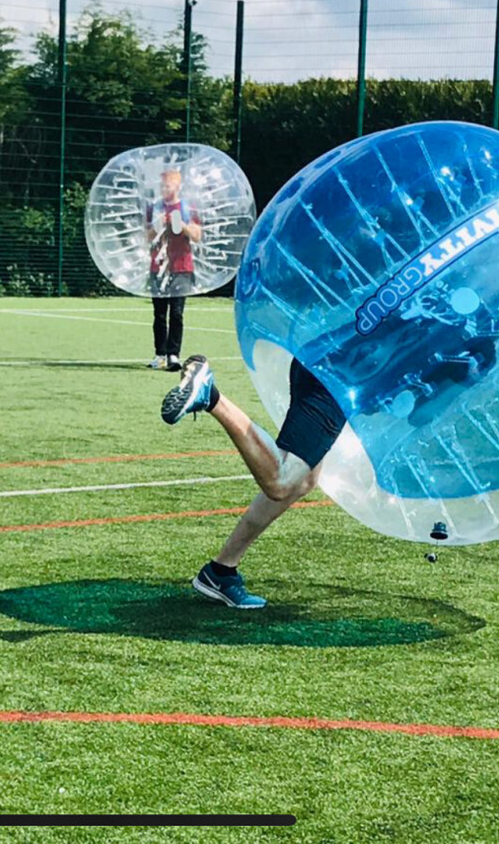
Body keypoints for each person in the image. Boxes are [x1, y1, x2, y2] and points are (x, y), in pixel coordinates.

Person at [159, 354, 347, 609]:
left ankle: (220, 571)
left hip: (325, 358)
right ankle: (211, 396)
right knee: (281, 481)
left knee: (303, 481)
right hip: (341, 374)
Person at [143, 169, 201, 372]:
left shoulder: (187, 208)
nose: (164, 189)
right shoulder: (155, 208)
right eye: (162, 186)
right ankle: (160, 354)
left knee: (177, 313)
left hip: (182, 266)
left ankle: (173, 355)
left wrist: (182, 226)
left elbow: (197, 236)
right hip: (159, 267)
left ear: (177, 186)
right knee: (159, 314)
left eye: (167, 186)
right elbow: (147, 237)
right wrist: (157, 226)